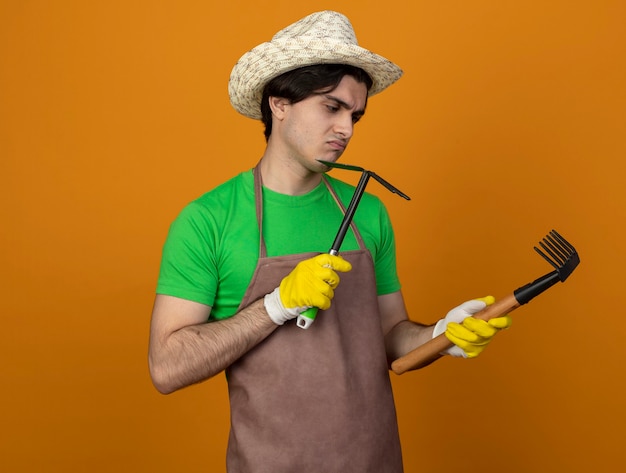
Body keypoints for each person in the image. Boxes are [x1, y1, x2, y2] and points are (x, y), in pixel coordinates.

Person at [148, 10, 512, 472]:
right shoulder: (208, 221)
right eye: (332, 107)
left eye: (355, 114)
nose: (347, 129)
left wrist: (440, 335)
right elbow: (166, 367)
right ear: (279, 102)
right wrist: (275, 306)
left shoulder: (367, 212)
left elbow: (389, 338)